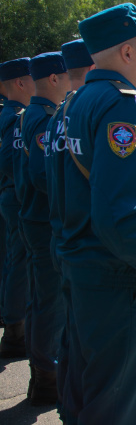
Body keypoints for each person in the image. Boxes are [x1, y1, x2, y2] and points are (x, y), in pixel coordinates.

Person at [59, 3, 136, 423]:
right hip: (117, 280)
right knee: (116, 405)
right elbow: (120, 218)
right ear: (126, 53)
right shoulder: (123, 105)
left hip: (80, 266)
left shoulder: (77, 101)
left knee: (83, 393)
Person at [43, 38, 94, 421]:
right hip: (99, 257)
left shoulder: (60, 114)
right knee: (112, 385)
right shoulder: (112, 108)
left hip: (65, 242)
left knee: (75, 346)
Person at [18, 52, 71, 405]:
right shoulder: (41, 118)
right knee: (49, 303)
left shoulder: (30, 114)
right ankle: (46, 378)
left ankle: (44, 374)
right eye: (66, 75)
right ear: (54, 78)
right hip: (41, 220)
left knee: (43, 300)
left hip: (32, 217)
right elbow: (41, 175)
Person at [0, 57, 34, 360]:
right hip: (16, 195)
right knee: (18, 263)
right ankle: (14, 331)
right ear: (20, 83)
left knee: (15, 260)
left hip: (12, 195)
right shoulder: (14, 116)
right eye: (31, 77)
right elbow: (11, 161)